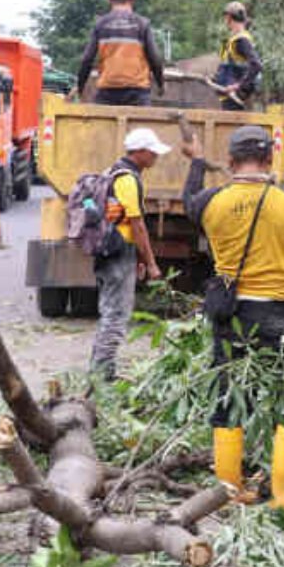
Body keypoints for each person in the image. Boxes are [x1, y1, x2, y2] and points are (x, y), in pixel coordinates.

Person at [181, 125, 284, 520]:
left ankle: (230, 489)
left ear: (229, 162)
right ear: (269, 159)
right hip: (281, 314)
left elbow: (187, 201)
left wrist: (194, 161)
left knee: (228, 396)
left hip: (231, 316)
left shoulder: (211, 202)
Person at [90, 128, 168, 380]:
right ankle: (102, 376)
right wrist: (151, 262)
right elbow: (137, 224)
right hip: (118, 252)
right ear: (141, 152)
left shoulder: (112, 171)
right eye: (153, 152)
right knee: (116, 315)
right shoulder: (127, 179)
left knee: (108, 312)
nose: (156, 157)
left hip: (110, 250)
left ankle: (99, 370)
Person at [76, 0, 165, 107]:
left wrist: (80, 87)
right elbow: (155, 58)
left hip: (107, 92)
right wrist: (161, 84)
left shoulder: (100, 24)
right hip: (138, 93)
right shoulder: (143, 24)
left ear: (110, 0)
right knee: (142, 127)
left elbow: (86, 59)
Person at [214, 2, 263, 111]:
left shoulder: (241, 41)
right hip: (227, 94)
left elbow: (257, 65)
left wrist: (238, 86)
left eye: (225, 17)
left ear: (229, 17)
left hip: (233, 96)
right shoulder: (233, 40)